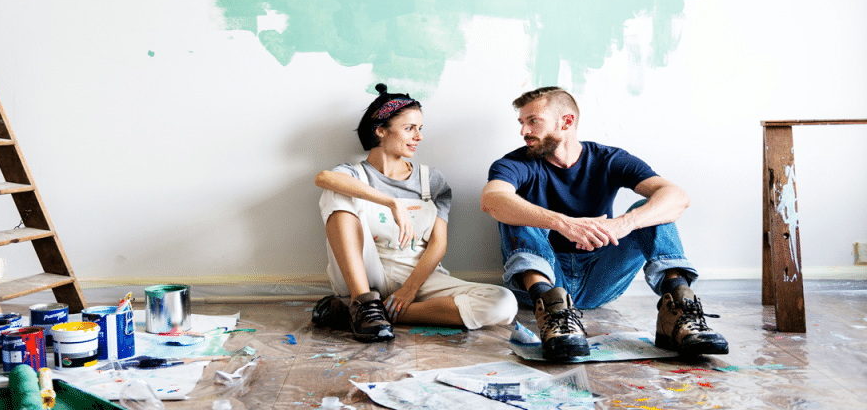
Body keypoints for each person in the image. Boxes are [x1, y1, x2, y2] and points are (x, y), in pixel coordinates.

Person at [480, 86, 728, 360]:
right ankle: (553, 311)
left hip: (600, 276)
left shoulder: (608, 159)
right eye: (521, 123)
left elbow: (677, 197)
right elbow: (492, 199)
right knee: (515, 207)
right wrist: (562, 223)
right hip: (545, 277)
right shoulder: (517, 163)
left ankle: (679, 310)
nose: (524, 131)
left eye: (533, 121)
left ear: (566, 121)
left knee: (650, 209)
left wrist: (624, 224)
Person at [311, 84, 518, 342]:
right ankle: (363, 302)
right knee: (336, 190)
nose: (418, 136)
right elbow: (324, 178)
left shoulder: (431, 180)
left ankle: (359, 312)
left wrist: (409, 290)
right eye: (410, 128)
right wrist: (391, 202)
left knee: (504, 303)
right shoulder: (355, 174)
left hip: (417, 273)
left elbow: (438, 244)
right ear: (381, 130)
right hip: (365, 271)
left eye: (420, 129)